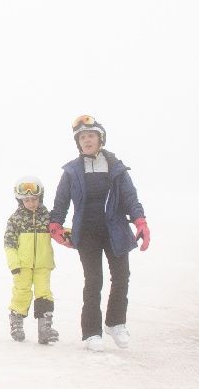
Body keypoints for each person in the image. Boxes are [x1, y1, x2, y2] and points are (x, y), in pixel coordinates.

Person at [47, 115, 150, 351]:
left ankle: (115, 323)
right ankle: (91, 333)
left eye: (90, 135)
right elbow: (61, 201)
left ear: (100, 138)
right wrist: (55, 225)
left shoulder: (116, 167)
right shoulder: (72, 171)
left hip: (115, 230)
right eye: (82, 137)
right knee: (94, 281)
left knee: (121, 277)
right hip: (87, 233)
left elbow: (130, 198)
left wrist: (140, 221)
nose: (86, 140)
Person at [3, 175, 58, 344]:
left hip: (43, 264)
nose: (31, 203)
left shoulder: (47, 217)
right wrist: (14, 263)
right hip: (22, 266)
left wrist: (74, 236)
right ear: (20, 201)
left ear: (40, 198)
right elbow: (9, 243)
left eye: (34, 199)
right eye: (26, 200)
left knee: (44, 294)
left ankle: (45, 329)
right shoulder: (15, 219)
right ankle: (16, 322)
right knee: (22, 293)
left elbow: (59, 232)